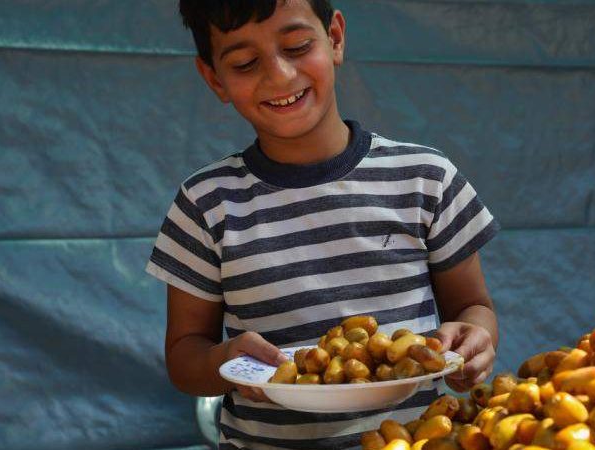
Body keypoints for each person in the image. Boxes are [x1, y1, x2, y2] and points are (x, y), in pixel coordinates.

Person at [146, 1, 500, 448]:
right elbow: (184, 357)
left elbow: (474, 307)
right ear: (214, 77)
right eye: (245, 62)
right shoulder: (205, 204)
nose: (279, 75)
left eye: (296, 46)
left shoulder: (425, 177)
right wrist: (226, 362)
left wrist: (474, 342)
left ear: (334, 37)